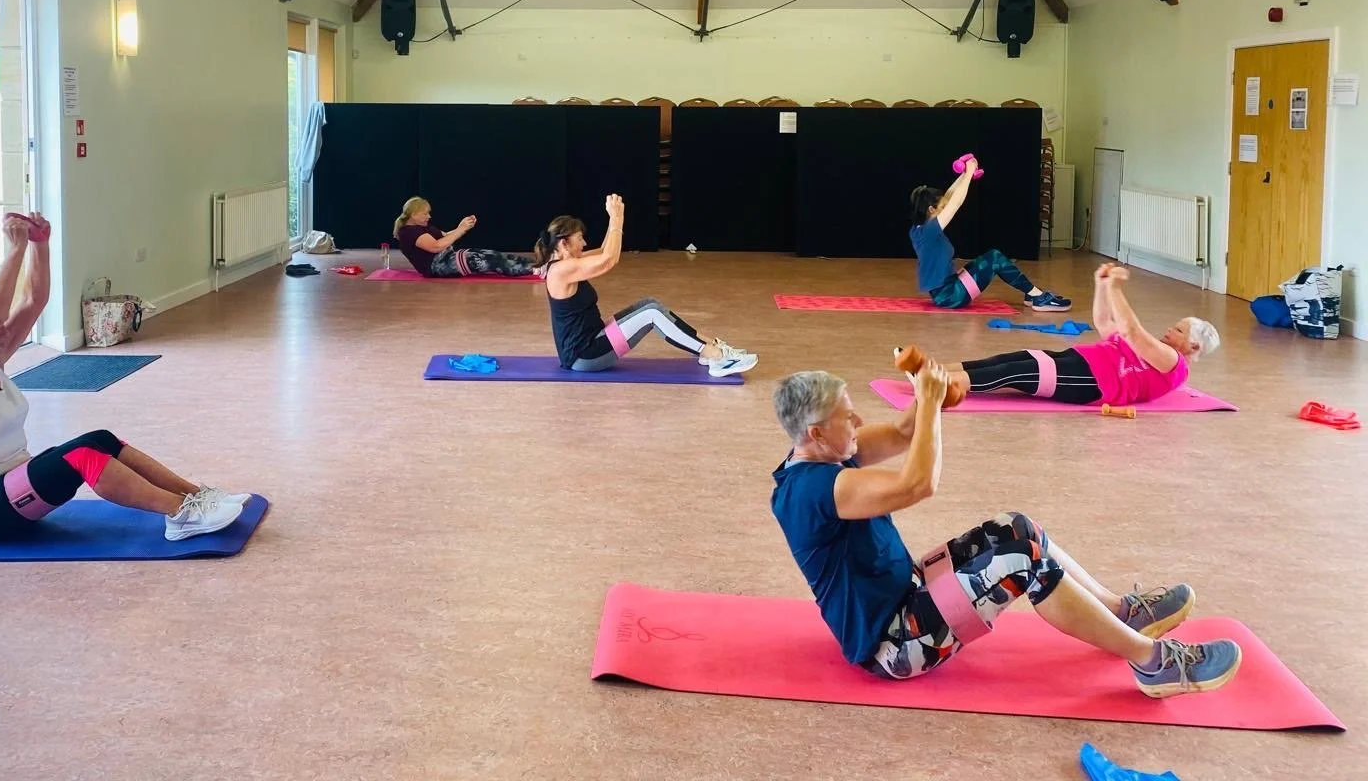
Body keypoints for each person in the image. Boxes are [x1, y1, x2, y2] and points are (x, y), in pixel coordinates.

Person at [769, 361, 1242, 696]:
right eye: (845, 416)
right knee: (1023, 560)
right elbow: (918, 484)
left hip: (908, 592)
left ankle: (1120, 610)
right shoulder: (816, 490)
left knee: (1014, 527)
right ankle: (1153, 661)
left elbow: (900, 434)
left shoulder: (826, 450)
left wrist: (930, 396)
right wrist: (930, 406)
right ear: (815, 433)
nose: (857, 420)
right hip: (893, 643)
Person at [0, 212, 249, 544]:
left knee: (101, 440)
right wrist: (16, 248)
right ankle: (181, 514)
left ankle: (198, 496)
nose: (4, 331)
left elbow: (34, 301)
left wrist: (40, 244)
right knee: (81, 458)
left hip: (10, 486)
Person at [538, 194, 756, 377]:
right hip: (585, 355)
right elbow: (609, 260)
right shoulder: (560, 271)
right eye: (580, 238)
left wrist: (616, 218)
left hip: (595, 340)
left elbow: (606, 251)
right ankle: (716, 357)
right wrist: (616, 218)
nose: (584, 243)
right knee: (651, 313)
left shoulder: (567, 264)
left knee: (650, 304)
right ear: (564, 243)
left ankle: (712, 345)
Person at [940, 263, 1219, 405]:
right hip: (1083, 362)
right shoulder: (1162, 351)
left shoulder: (1175, 363)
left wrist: (1116, 289)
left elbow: (1131, 331)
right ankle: (936, 371)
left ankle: (939, 387)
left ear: (1192, 346)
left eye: (1179, 330)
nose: (1170, 330)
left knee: (1016, 374)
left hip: (1095, 381)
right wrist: (1102, 285)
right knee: (1010, 360)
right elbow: (1104, 322)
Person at [909, 157, 1069, 310]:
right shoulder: (928, 231)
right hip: (950, 296)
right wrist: (970, 172)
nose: (946, 207)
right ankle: (1038, 297)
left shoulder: (919, 229)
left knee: (992, 256)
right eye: (942, 206)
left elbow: (950, 197)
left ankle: (1031, 293)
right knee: (995, 259)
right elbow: (955, 203)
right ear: (931, 209)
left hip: (948, 289)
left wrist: (964, 175)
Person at [393, 197, 538, 278]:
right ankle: (536, 270)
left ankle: (539, 264)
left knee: (492, 254)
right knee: (491, 261)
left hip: (448, 257)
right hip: (438, 265)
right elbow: (435, 246)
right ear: (413, 214)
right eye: (425, 213)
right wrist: (460, 230)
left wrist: (462, 227)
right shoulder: (407, 232)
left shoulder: (422, 227)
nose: (429, 216)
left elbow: (445, 236)